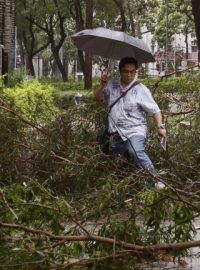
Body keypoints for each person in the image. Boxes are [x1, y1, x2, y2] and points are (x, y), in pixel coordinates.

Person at [93, 57, 166, 177]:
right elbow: (96, 98)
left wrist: (160, 126)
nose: (129, 74)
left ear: (135, 72)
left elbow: (155, 110)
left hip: (135, 130)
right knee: (119, 165)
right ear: (120, 71)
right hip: (116, 133)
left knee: (135, 151)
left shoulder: (140, 89)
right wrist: (102, 85)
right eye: (126, 71)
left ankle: (157, 180)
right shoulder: (111, 85)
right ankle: (126, 191)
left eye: (132, 72)